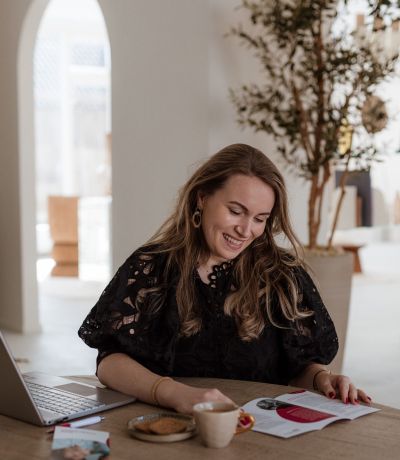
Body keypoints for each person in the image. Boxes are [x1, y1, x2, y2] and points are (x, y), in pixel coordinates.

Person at [78, 143, 371, 414]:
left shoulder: (284, 275)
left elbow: (297, 369)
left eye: (260, 219)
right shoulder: (150, 268)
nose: (246, 230)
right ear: (202, 197)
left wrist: (322, 378)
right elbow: (110, 363)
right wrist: (175, 394)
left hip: (259, 434)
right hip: (169, 429)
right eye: (236, 211)